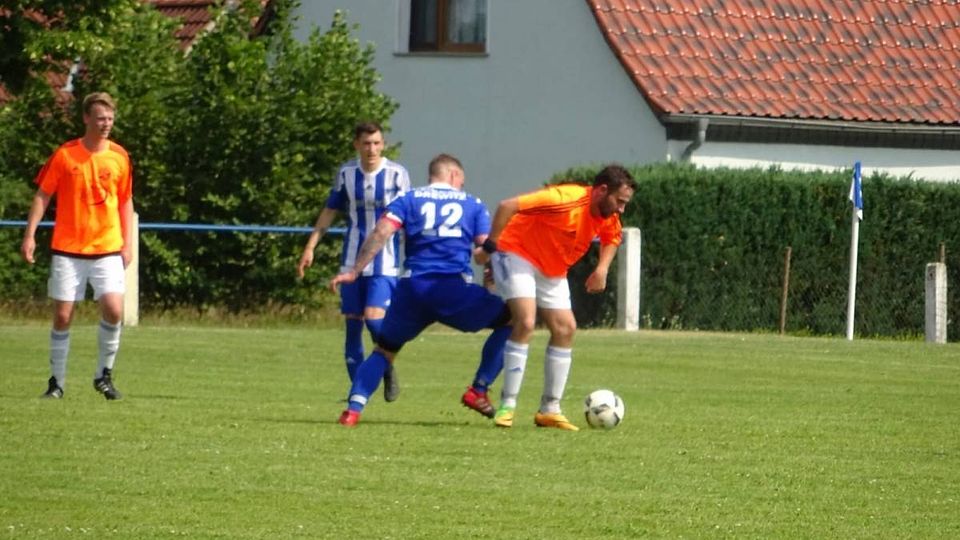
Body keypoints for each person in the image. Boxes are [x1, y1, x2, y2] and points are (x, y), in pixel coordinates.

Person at [329, 153, 512, 426]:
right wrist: (491, 269)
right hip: (452, 288)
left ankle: (353, 410)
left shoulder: (408, 198)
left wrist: (355, 270)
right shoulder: (472, 204)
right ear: (454, 175)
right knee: (513, 320)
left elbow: (381, 232)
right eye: (461, 180)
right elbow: (484, 249)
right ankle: (479, 389)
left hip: (412, 288)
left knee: (384, 351)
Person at [474, 165, 638, 431]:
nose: (621, 209)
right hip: (516, 253)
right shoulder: (564, 199)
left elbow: (612, 237)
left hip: (552, 268)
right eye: (619, 201)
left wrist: (602, 269)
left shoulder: (607, 215)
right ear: (602, 190)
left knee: (565, 328)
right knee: (526, 321)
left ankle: (549, 410)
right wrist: (489, 247)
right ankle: (508, 406)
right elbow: (507, 206)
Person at [20, 92, 134, 400]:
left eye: (110, 118)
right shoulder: (65, 155)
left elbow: (125, 201)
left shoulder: (119, 156)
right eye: (100, 118)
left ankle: (103, 375)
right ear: (86, 118)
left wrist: (127, 243)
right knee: (63, 315)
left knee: (114, 309)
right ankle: (56, 382)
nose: (106, 124)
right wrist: (30, 235)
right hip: (68, 249)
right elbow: (43, 195)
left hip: (107, 247)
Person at [297, 122, 410, 401]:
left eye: (376, 143)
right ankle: (357, 392)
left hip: (384, 261)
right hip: (351, 260)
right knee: (352, 327)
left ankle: (387, 365)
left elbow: (409, 215)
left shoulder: (397, 174)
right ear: (356, 145)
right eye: (366, 143)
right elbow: (329, 211)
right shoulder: (347, 173)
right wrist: (310, 247)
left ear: (383, 145)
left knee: (374, 320)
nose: (372, 149)